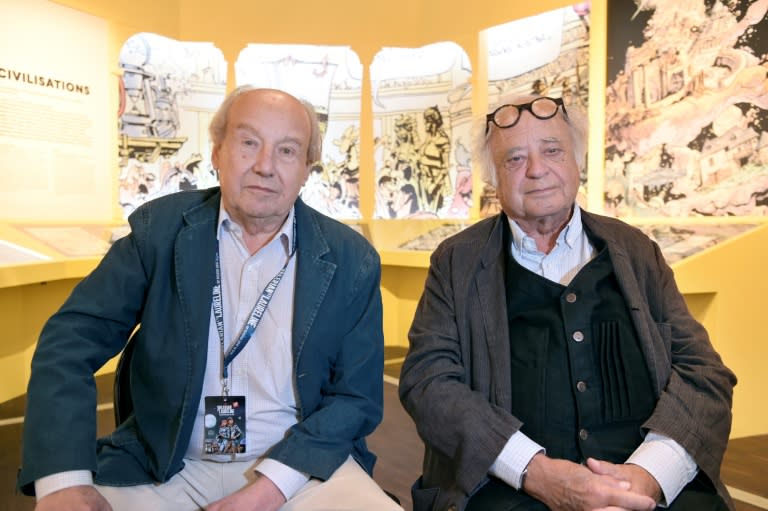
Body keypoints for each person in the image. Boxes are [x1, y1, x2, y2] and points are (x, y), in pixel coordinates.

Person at [18, 86, 402, 511]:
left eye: (288, 151)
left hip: (302, 469)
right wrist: (63, 482)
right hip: (164, 464)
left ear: (307, 168)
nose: (265, 166)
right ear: (217, 151)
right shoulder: (159, 232)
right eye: (248, 142)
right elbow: (69, 342)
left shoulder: (352, 259)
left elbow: (356, 399)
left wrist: (268, 489)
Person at [398, 94, 737, 511]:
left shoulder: (637, 251)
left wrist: (649, 476)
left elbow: (705, 373)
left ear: (578, 162)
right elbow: (429, 381)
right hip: (514, 490)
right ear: (495, 179)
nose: (537, 171)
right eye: (515, 159)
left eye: (552, 151)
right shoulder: (456, 262)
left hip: (649, 487)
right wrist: (537, 472)